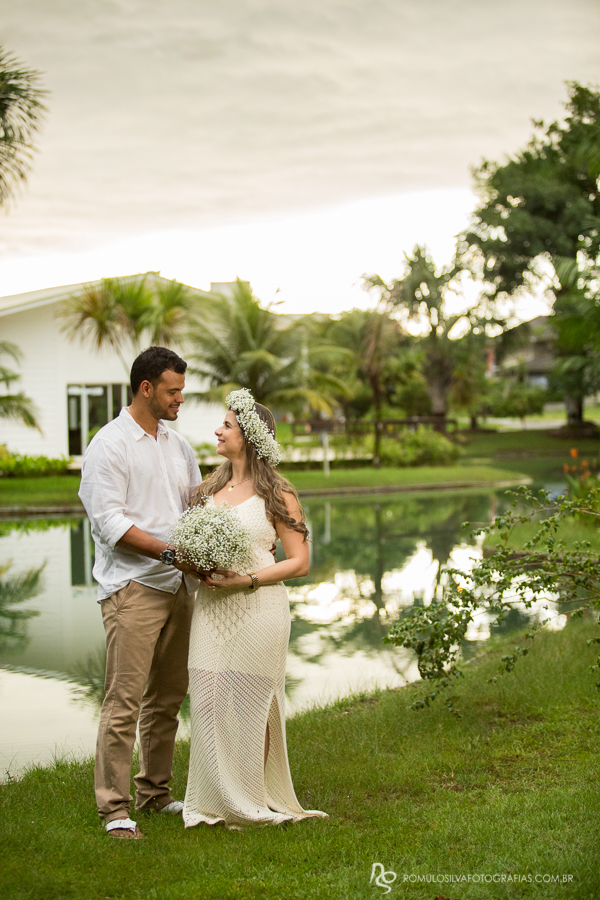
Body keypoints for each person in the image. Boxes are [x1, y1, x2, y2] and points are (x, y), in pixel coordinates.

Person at [183, 388, 327, 829]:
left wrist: (245, 580)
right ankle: (214, 799)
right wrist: (199, 564)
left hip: (259, 609)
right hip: (210, 609)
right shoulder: (207, 489)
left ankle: (252, 798)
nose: (217, 431)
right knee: (207, 700)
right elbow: (193, 545)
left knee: (252, 704)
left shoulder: (277, 494)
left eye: (226, 424)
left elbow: (299, 561)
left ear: (248, 435)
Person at [79, 346, 202, 839]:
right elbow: (109, 523)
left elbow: (194, 505)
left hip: (177, 587)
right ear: (146, 388)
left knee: (168, 698)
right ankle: (114, 809)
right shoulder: (108, 445)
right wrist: (172, 554)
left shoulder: (178, 444)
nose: (180, 400)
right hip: (133, 588)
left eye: (182, 392)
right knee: (123, 701)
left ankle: (154, 792)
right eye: (173, 391)